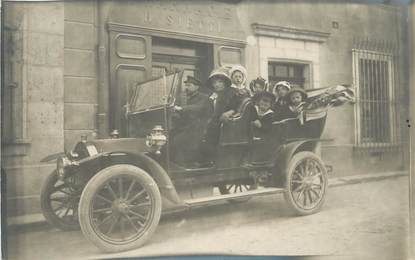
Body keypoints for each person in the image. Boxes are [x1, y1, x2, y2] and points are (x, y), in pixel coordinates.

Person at [170, 75, 211, 165]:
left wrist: (182, 109)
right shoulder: (181, 96)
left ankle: (184, 164)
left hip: (197, 127)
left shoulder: (204, 97)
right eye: (186, 85)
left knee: (179, 140)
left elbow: (198, 108)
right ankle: (174, 163)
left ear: (196, 87)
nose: (187, 87)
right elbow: (175, 107)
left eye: (189, 85)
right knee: (169, 138)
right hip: (183, 126)